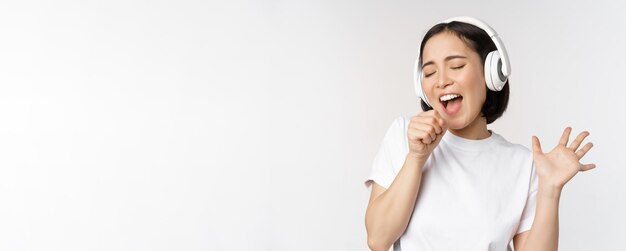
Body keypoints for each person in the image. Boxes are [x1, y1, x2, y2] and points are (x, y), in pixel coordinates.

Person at [364, 17, 596, 251]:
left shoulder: (524, 165)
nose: (442, 81)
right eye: (430, 72)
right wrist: (416, 157)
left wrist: (550, 190)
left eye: (456, 66)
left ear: (492, 73)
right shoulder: (404, 135)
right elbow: (378, 239)